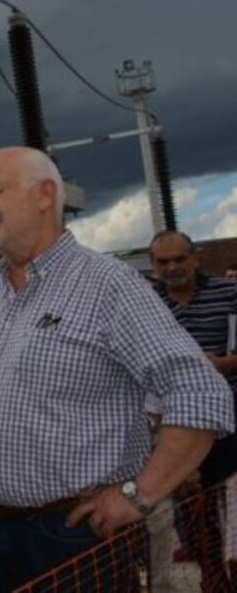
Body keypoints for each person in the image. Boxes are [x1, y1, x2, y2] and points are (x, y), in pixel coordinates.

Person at [0, 146, 234, 592]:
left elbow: (201, 393)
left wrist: (139, 495)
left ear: (45, 194)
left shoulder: (108, 284)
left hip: (70, 535)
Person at [149, 230, 237, 588]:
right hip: (175, 425)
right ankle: (210, 579)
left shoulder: (228, 293)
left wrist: (224, 365)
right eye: (163, 262)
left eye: (179, 259)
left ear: (194, 258)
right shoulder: (147, 305)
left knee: (229, 503)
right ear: (153, 266)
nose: (172, 268)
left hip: (228, 420)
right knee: (190, 510)